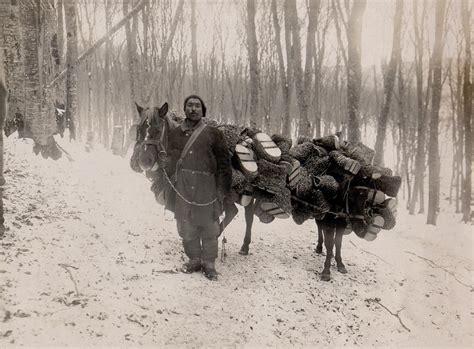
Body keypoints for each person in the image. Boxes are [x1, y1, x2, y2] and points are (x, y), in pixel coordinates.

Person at [165, 95, 232, 281]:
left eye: (197, 106)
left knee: (209, 226)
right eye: (189, 105)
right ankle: (194, 259)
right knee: (186, 225)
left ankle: (209, 263)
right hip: (183, 186)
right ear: (185, 109)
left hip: (207, 187)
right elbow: (171, 158)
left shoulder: (214, 133)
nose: (193, 109)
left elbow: (225, 164)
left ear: (203, 110)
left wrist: (221, 192)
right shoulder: (176, 134)